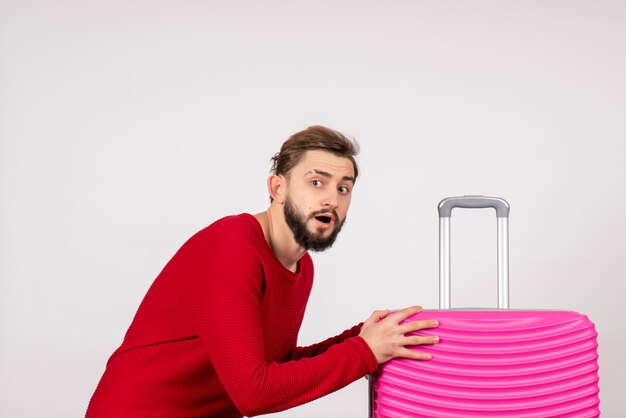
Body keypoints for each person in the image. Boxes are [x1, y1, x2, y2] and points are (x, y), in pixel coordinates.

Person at [86, 125, 439, 417]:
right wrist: (363, 352)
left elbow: (275, 365)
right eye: (317, 182)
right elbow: (253, 392)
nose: (332, 198)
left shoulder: (301, 266)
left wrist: (362, 337)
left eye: (343, 187)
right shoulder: (231, 247)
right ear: (277, 188)